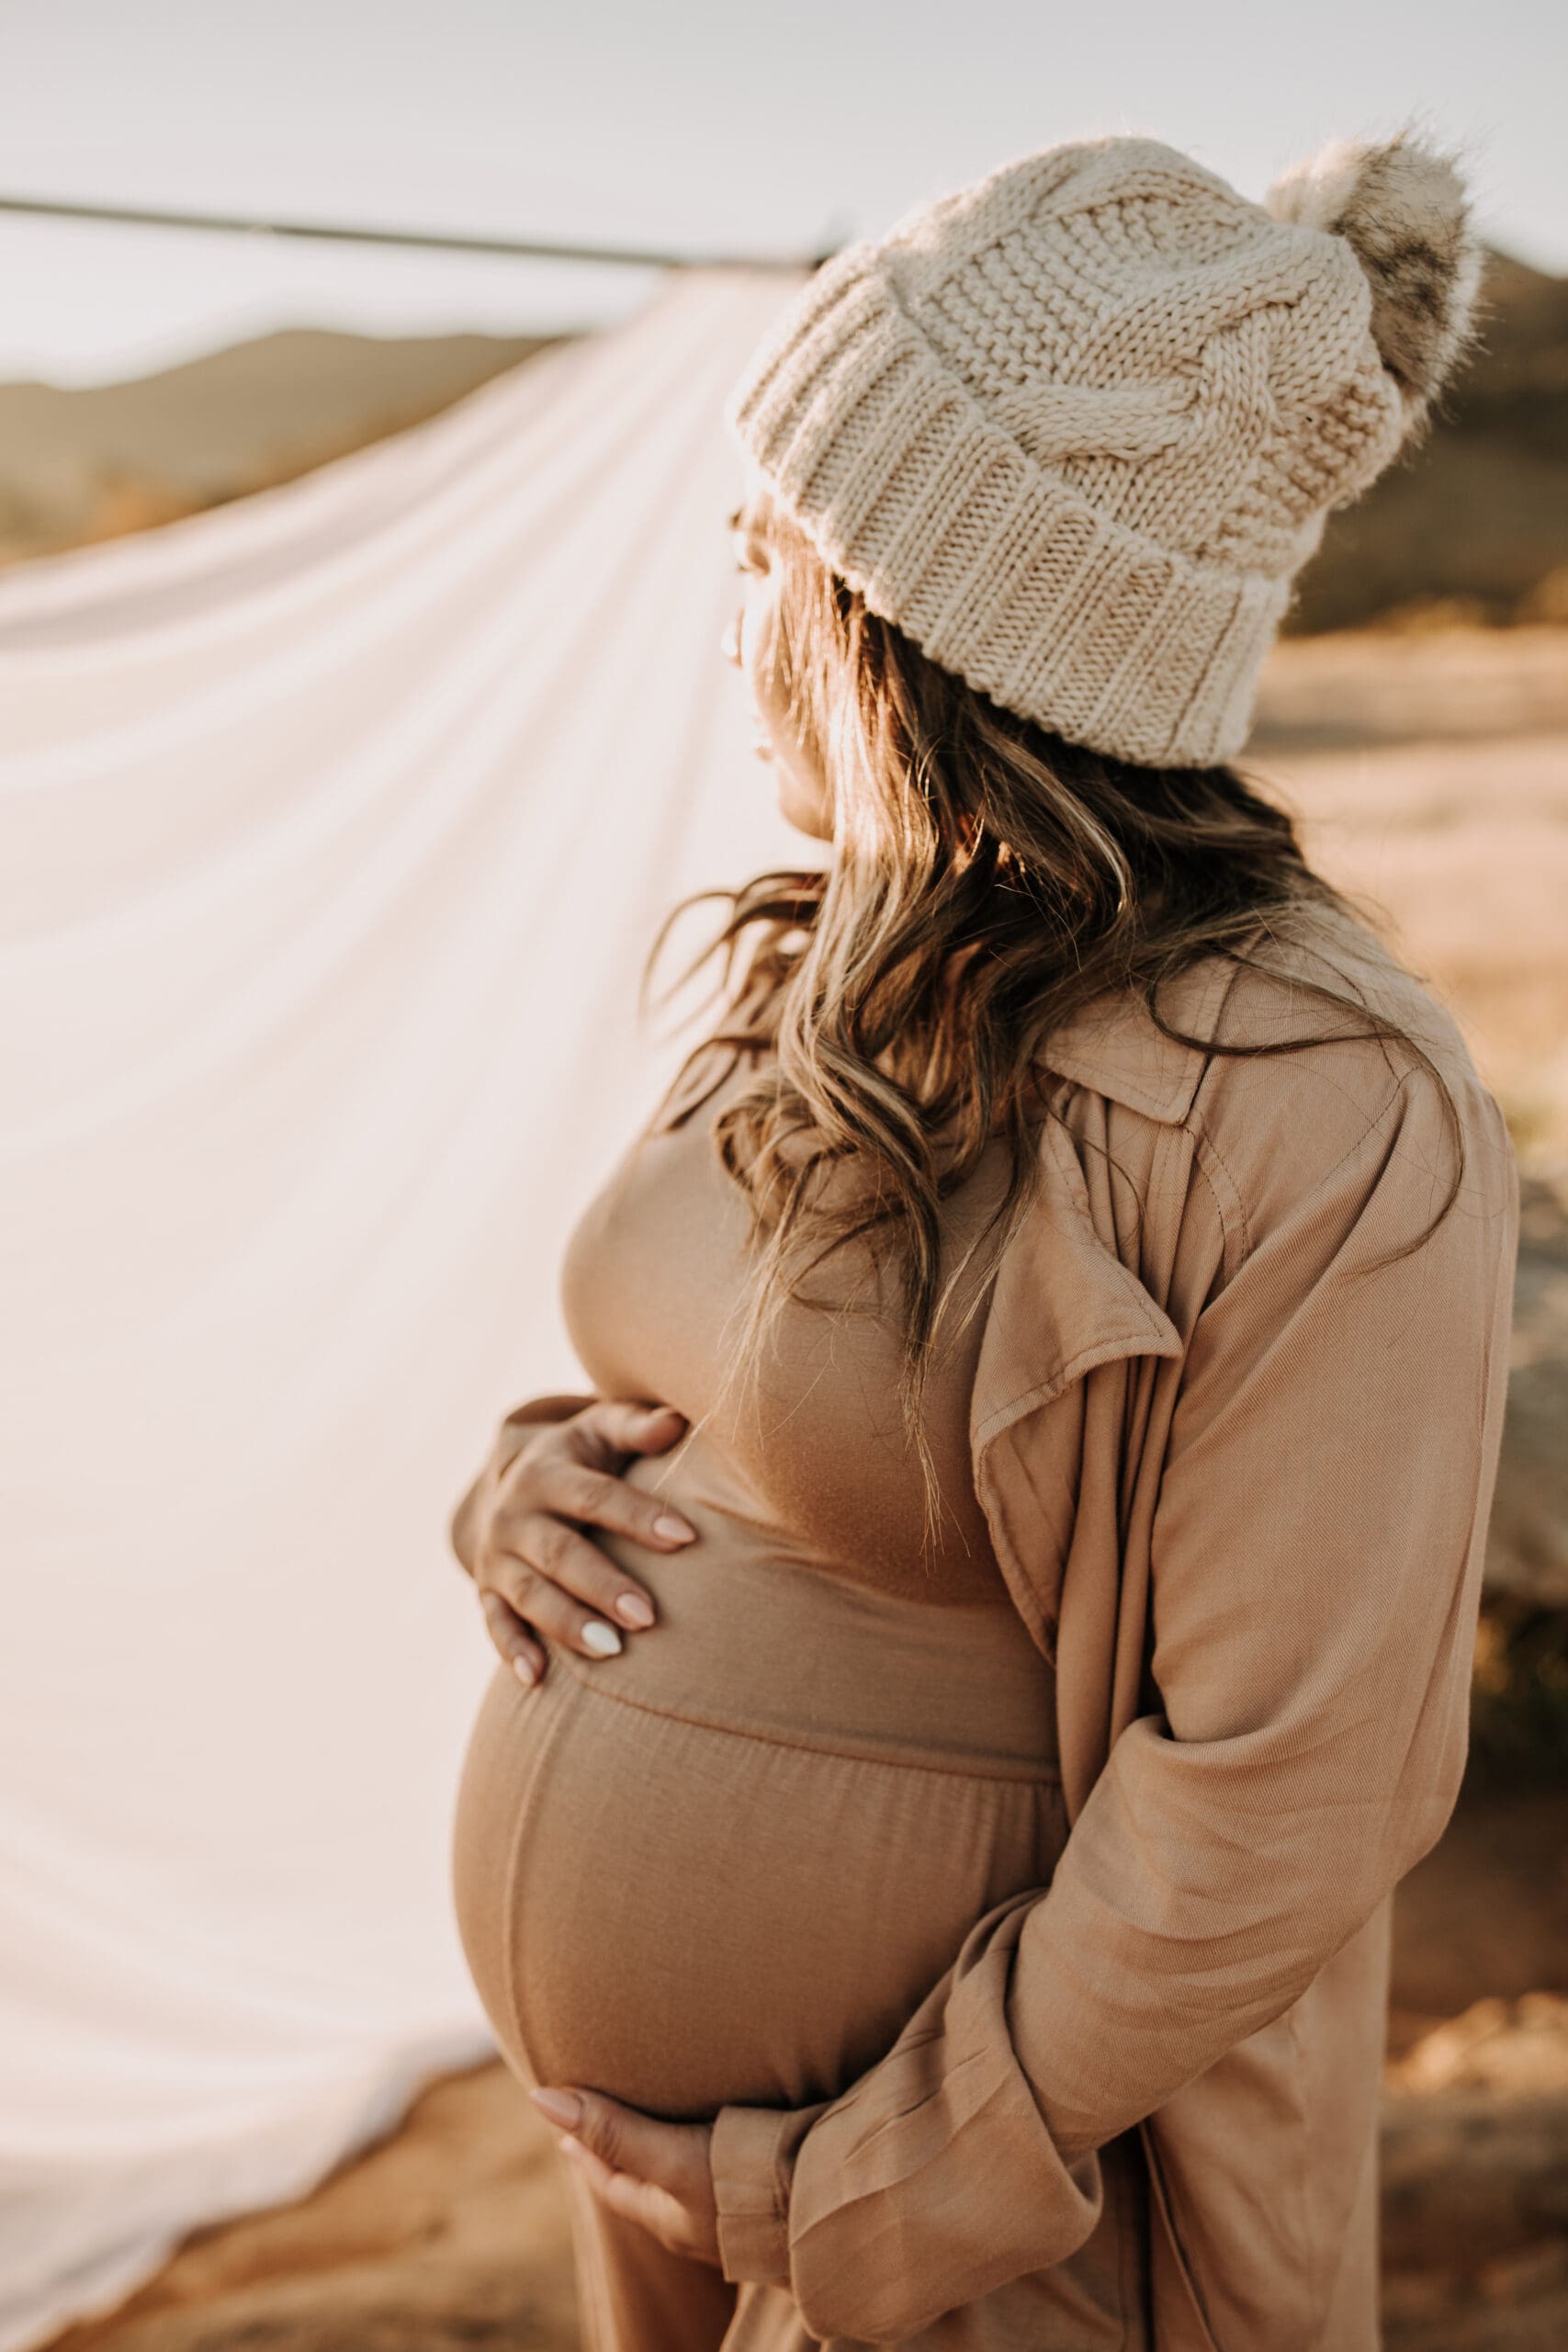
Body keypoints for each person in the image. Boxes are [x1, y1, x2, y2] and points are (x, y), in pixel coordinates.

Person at [446, 124, 1519, 2350]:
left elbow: (1283, 1789)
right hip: (675, 2209)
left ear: (918, 613)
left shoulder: (1323, 1101)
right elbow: (745, 1409)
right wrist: (524, 1489)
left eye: (763, 552)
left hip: (985, 2235)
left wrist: (860, 2187)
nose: (721, 620)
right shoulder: (812, 964)